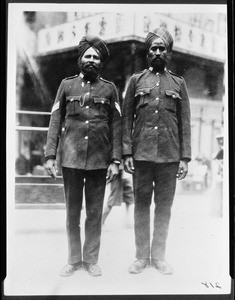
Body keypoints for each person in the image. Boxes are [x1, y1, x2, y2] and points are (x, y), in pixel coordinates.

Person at [45, 35, 122, 277]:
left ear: (101, 63)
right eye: (87, 56)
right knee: (72, 213)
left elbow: (117, 126)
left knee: (94, 213)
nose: (91, 60)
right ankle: (73, 260)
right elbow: (55, 121)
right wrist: (49, 156)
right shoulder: (66, 86)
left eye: (96, 57)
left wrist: (116, 160)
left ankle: (90, 260)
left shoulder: (109, 89)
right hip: (71, 159)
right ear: (80, 59)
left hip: (99, 160)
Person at [122, 27, 191, 275]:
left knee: (164, 207)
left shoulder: (178, 83)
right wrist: (127, 153)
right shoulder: (136, 81)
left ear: (168, 53)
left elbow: (185, 123)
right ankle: (141, 256)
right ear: (147, 53)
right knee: (141, 205)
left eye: (163, 49)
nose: (158, 52)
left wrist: (184, 158)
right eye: (154, 49)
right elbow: (126, 119)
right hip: (141, 156)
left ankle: (159, 256)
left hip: (170, 157)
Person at [102, 163, 134, 228]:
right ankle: (101, 222)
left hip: (126, 172)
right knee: (112, 199)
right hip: (116, 171)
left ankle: (127, 222)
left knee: (128, 198)